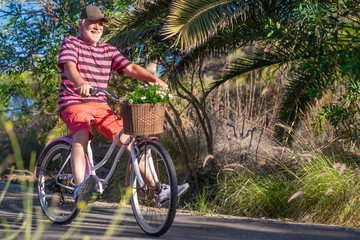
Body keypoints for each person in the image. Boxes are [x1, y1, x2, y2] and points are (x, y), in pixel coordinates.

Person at [57, 5, 189, 207]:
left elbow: (131, 68)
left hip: (100, 104)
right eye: (93, 22)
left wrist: (155, 81)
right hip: (74, 101)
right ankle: (79, 186)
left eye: (101, 24)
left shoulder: (109, 50)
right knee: (81, 135)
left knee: (130, 141)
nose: (98, 27)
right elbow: (70, 67)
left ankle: (158, 190)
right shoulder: (71, 43)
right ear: (81, 23)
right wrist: (80, 83)